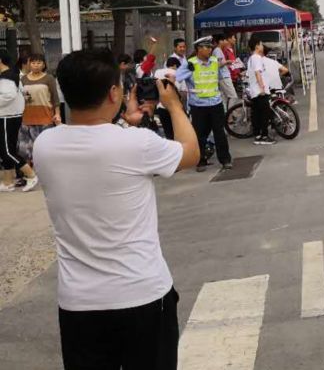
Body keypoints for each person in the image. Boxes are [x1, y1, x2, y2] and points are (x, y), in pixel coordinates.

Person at [33, 48, 200, 369]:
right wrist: (174, 106)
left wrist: (124, 119)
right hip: (142, 295)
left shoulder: (45, 146)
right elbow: (190, 153)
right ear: (113, 93)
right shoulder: (136, 143)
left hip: (78, 303)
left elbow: (93, 139)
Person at [175, 36, 232, 172]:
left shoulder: (213, 61)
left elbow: (216, 77)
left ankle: (225, 160)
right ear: (199, 49)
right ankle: (200, 160)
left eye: (210, 47)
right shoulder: (190, 64)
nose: (210, 50)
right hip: (199, 106)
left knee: (220, 133)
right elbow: (176, 77)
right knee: (200, 134)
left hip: (215, 103)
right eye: (207, 47)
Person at [0, 51, 37, 192]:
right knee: (6, 150)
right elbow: (22, 95)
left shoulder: (6, 77)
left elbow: (8, 96)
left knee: (7, 151)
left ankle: (31, 175)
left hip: (6, 117)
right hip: (11, 116)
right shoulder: (13, 75)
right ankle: (8, 182)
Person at [20, 52, 61, 167]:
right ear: (29, 64)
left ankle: (45, 171)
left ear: (43, 64)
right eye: (33, 62)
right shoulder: (23, 79)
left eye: (39, 62)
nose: (36, 65)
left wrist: (57, 114)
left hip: (45, 118)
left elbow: (55, 99)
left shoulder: (49, 78)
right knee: (25, 150)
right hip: (27, 118)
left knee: (45, 148)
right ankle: (30, 174)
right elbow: (20, 97)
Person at [246, 38, 276, 146]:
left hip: (255, 91)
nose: (262, 46)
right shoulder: (256, 58)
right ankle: (264, 136)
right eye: (261, 44)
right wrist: (262, 87)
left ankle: (258, 135)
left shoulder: (251, 59)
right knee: (264, 114)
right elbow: (258, 73)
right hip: (259, 91)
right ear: (257, 46)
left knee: (257, 114)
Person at [212, 33, 239, 108]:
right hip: (224, 76)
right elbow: (218, 64)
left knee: (223, 98)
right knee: (233, 96)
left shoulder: (219, 50)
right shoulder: (217, 50)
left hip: (223, 76)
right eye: (224, 40)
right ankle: (231, 113)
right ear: (220, 41)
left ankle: (225, 115)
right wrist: (227, 62)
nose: (226, 42)